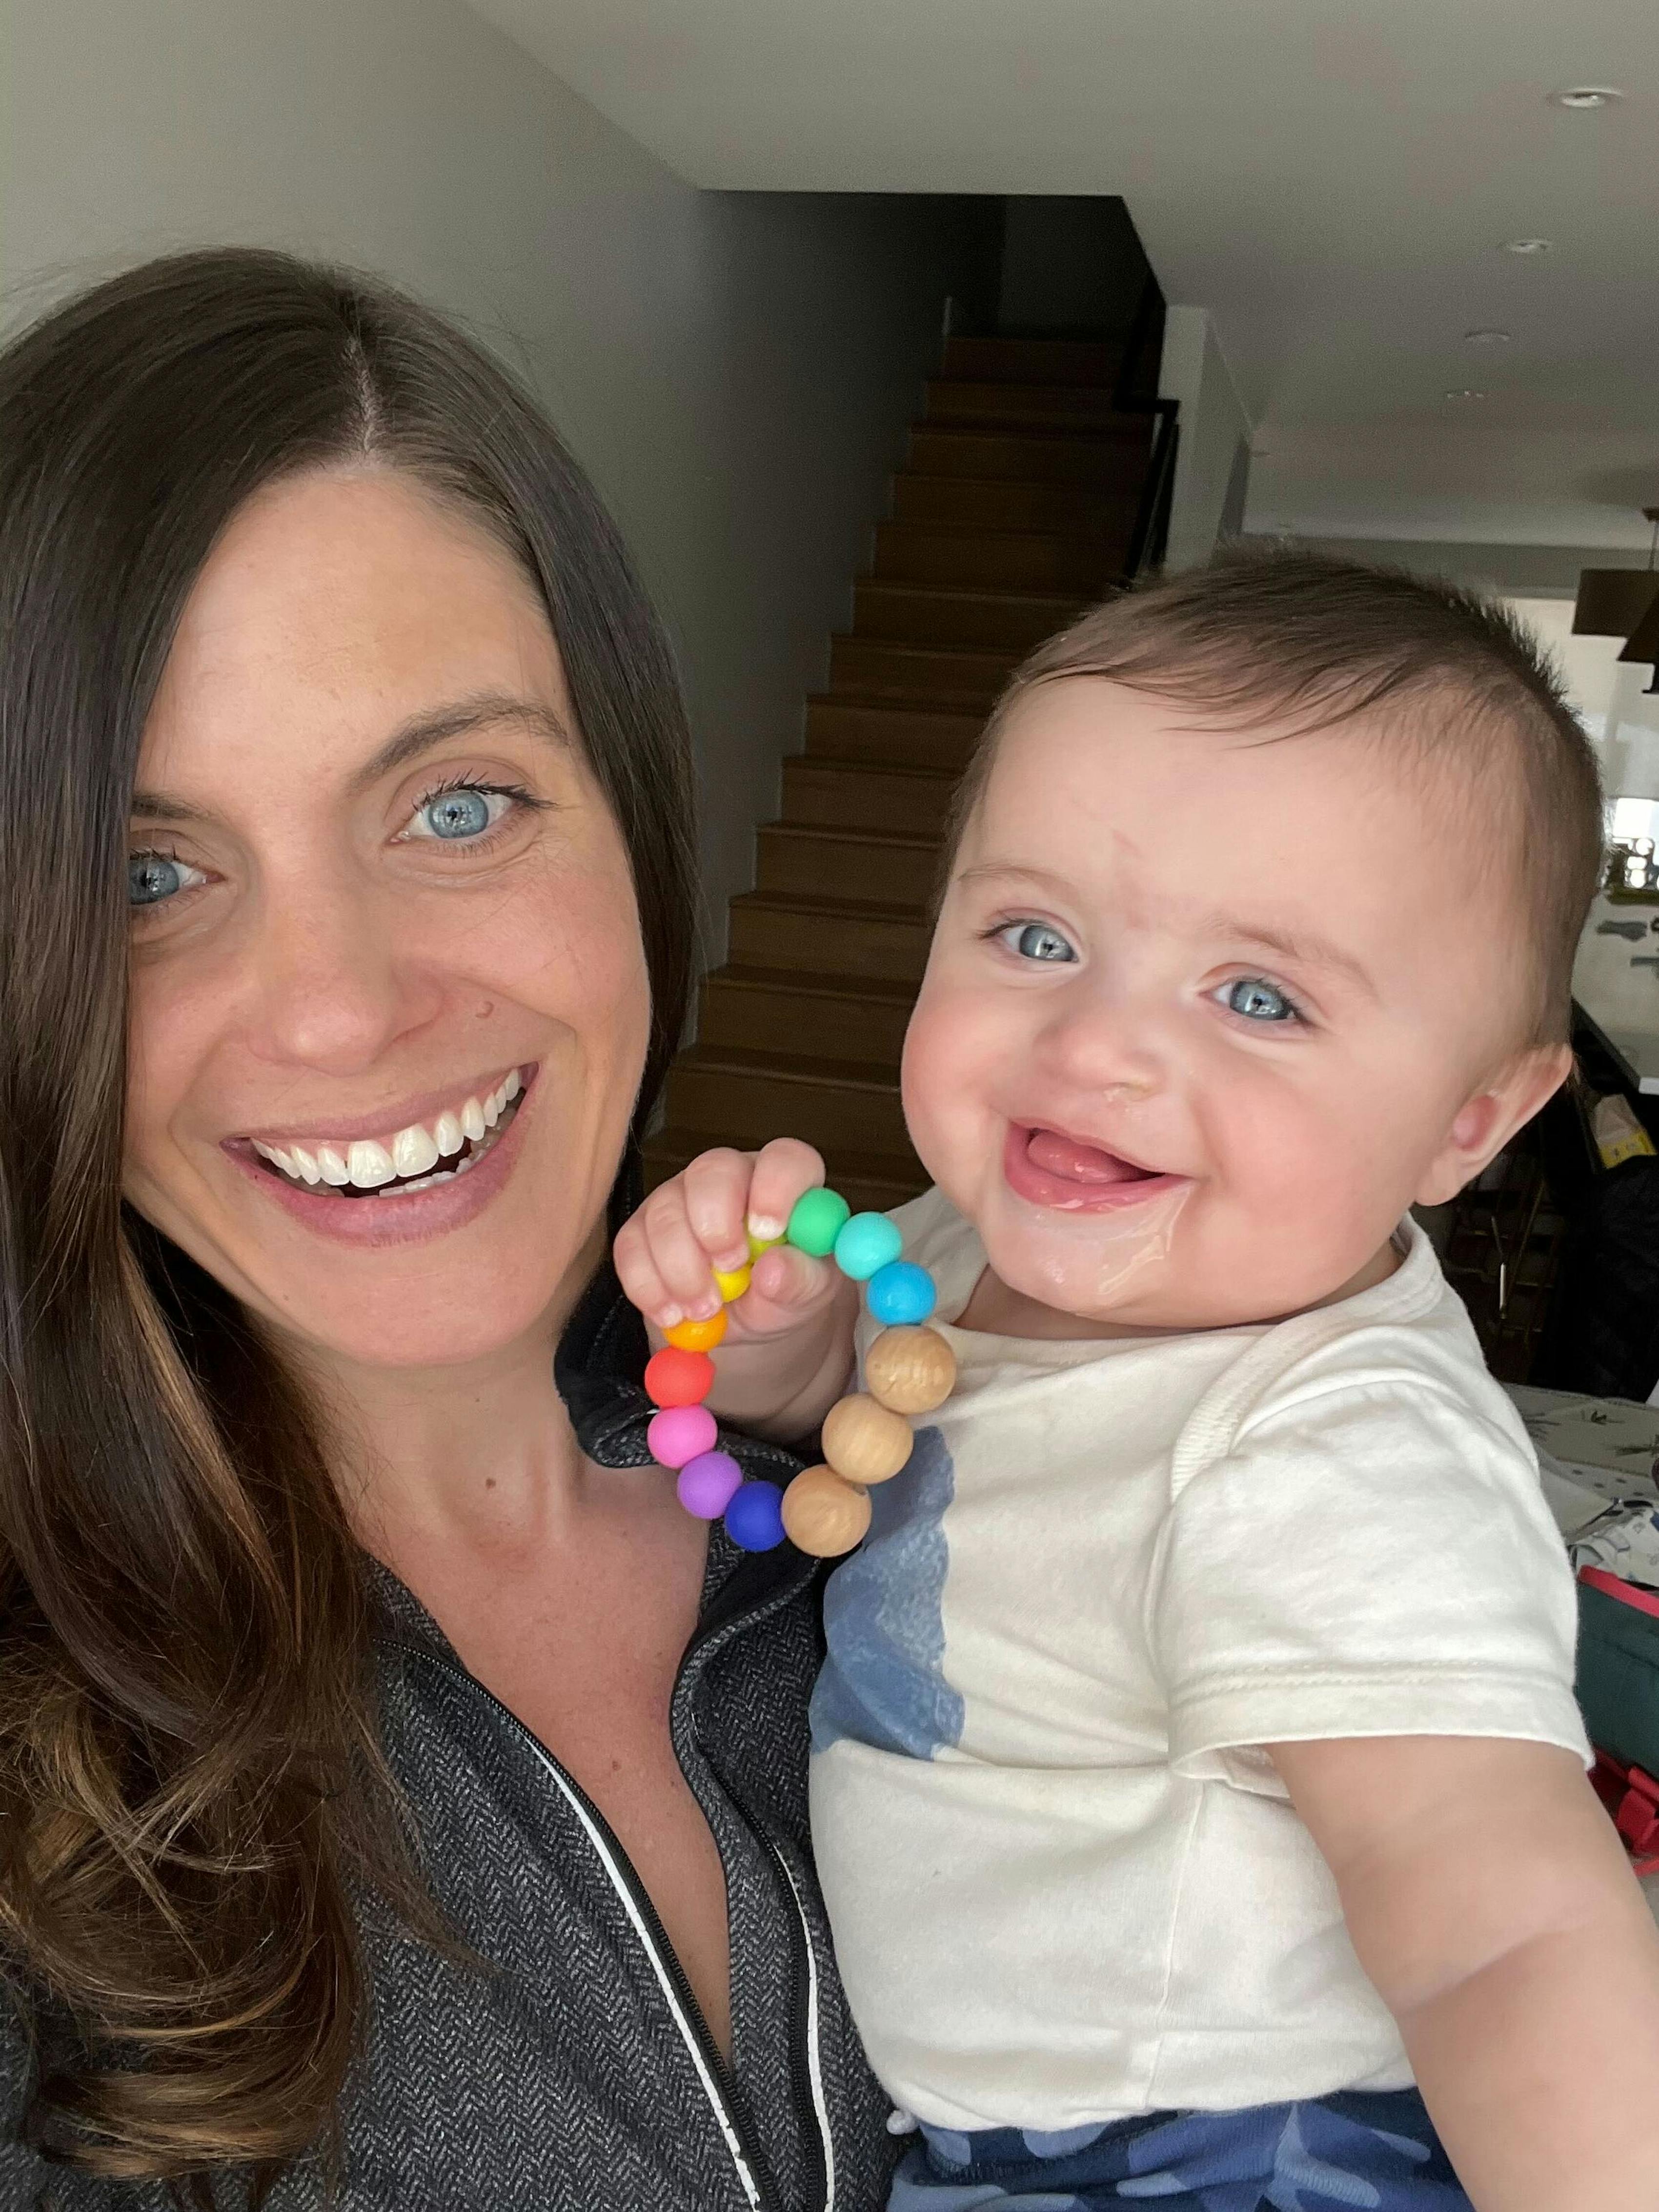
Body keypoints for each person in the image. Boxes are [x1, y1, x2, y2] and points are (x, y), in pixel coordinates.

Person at [0, 248, 896, 2210]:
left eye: (461, 807)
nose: (338, 1007)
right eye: (149, 871)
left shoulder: (901, 1505)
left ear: (633, 817)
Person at [617, 551, 1659, 2211]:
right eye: (1034, 933)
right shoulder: (962, 1244)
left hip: (1235, 2156)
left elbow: (1509, 1936)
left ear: (1474, 1118)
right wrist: (770, 1334)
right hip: (1005, 2134)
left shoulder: (1333, 1453)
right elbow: (839, 1418)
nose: (1100, 1044)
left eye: (1260, 995)